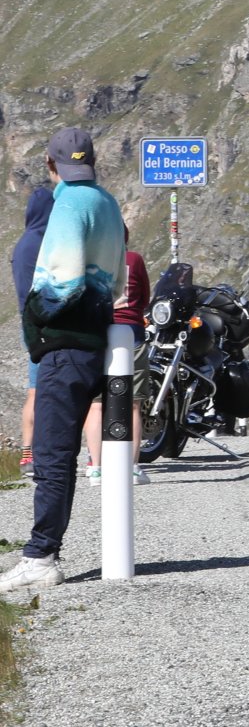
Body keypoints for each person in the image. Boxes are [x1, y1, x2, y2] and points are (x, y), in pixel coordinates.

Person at [0, 127, 127, 594]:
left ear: (50, 164)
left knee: (53, 455)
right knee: (64, 453)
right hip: (97, 337)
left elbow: (64, 281)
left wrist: (35, 317)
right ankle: (45, 550)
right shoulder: (108, 203)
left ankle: (41, 557)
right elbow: (116, 282)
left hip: (64, 344)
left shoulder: (69, 203)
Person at [84, 226, 150, 485]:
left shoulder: (92, 261)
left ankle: (96, 468)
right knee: (133, 403)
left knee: (96, 404)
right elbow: (144, 297)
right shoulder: (134, 259)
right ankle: (132, 468)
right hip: (131, 332)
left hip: (99, 332)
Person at [10, 166, 55, 480]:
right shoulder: (43, 243)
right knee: (47, 391)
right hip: (45, 324)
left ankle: (28, 453)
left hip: (29, 323)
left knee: (34, 390)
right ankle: (43, 453)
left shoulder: (23, 243)